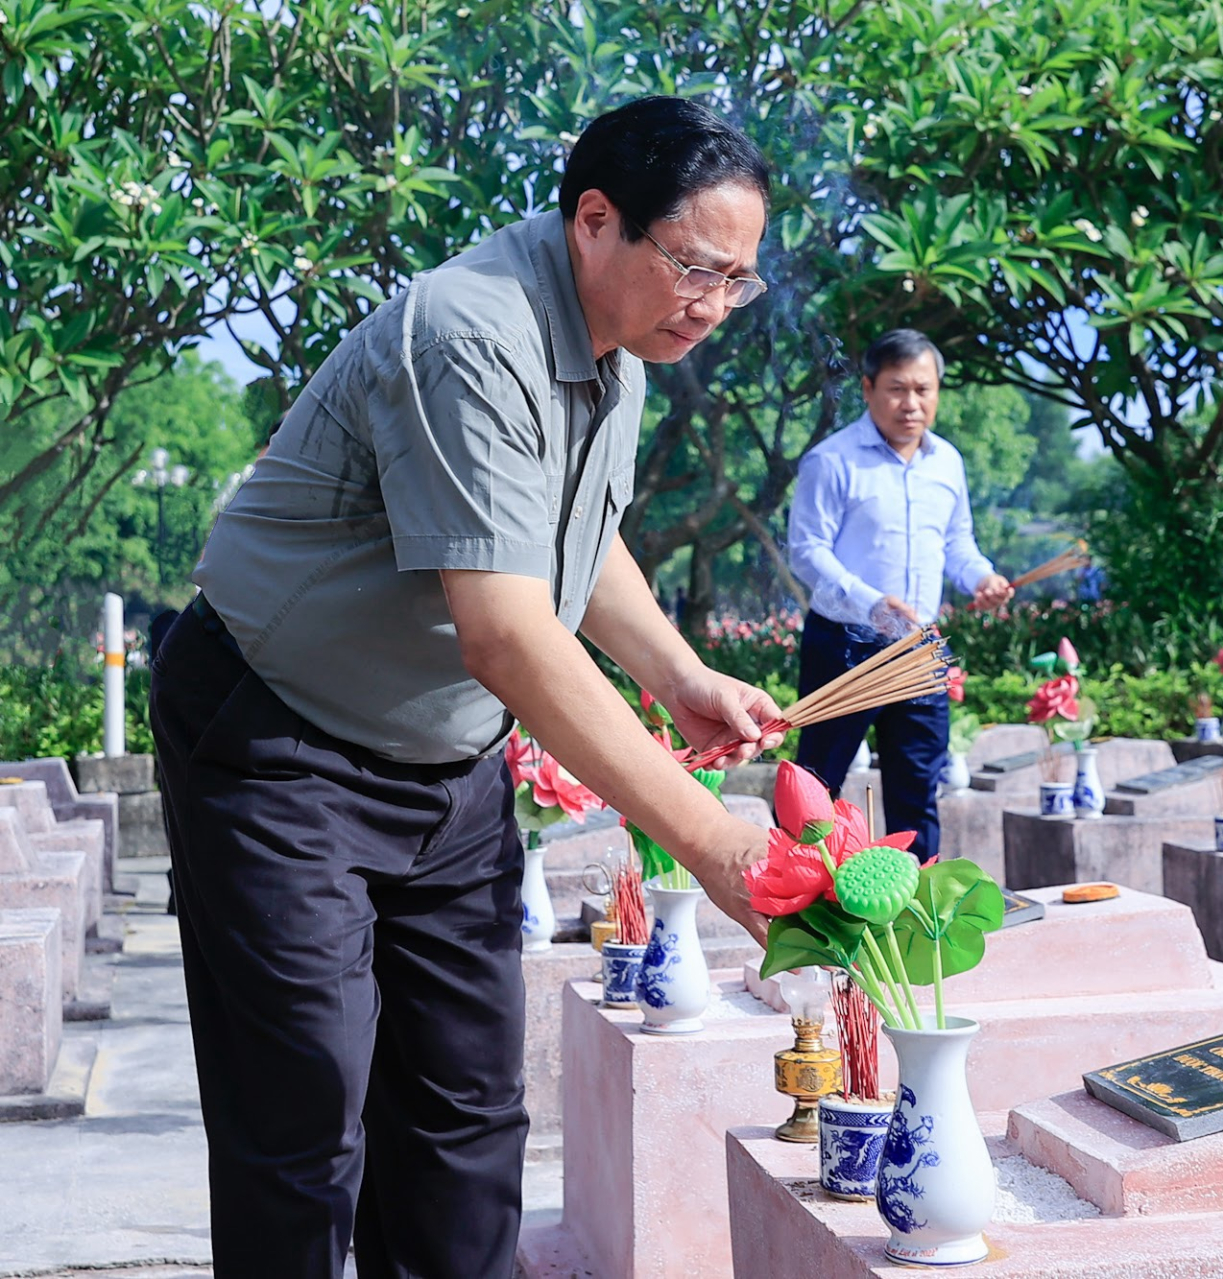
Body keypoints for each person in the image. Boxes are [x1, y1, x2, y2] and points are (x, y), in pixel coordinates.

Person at [147, 97, 785, 1279]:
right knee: (303, 1114)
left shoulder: (623, 357)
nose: (714, 304)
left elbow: (572, 543)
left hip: (442, 762)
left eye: (738, 280)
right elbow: (507, 635)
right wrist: (709, 840)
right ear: (597, 222)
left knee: (465, 1115)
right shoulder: (470, 331)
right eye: (698, 267)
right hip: (278, 736)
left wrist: (678, 670)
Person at [786, 329, 1013, 861]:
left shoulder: (947, 462)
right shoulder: (832, 460)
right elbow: (806, 551)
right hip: (845, 645)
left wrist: (981, 577)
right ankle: (801, 916)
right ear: (867, 389)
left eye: (924, 390)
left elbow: (957, 544)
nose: (912, 404)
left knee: (918, 789)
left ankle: (920, 915)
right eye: (897, 389)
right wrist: (871, 602)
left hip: (919, 651)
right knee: (814, 790)